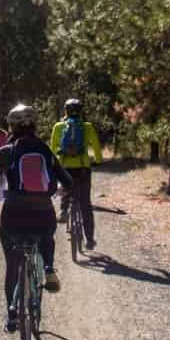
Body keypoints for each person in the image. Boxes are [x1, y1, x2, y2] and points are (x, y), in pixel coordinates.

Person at [0, 103, 73, 332]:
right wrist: (60, 189)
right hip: (42, 212)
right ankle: (49, 267)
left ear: (11, 126)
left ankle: (12, 314)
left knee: (12, 264)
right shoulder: (45, 150)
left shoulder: (7, 151)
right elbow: (67, 181)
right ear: (34, 124)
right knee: (44, 236)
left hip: (12, 213)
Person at [50, 98, 102, 251]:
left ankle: (64, 210)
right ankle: (90, 239)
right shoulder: (87, 127)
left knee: (66, 188)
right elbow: (96, 146)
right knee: (85, 202)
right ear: (81, 112)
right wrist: (98, 160)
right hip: (83, 167)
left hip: (64, 166)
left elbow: (52, 148)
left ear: (65, 111)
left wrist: (53, 165)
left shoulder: (58, 126)